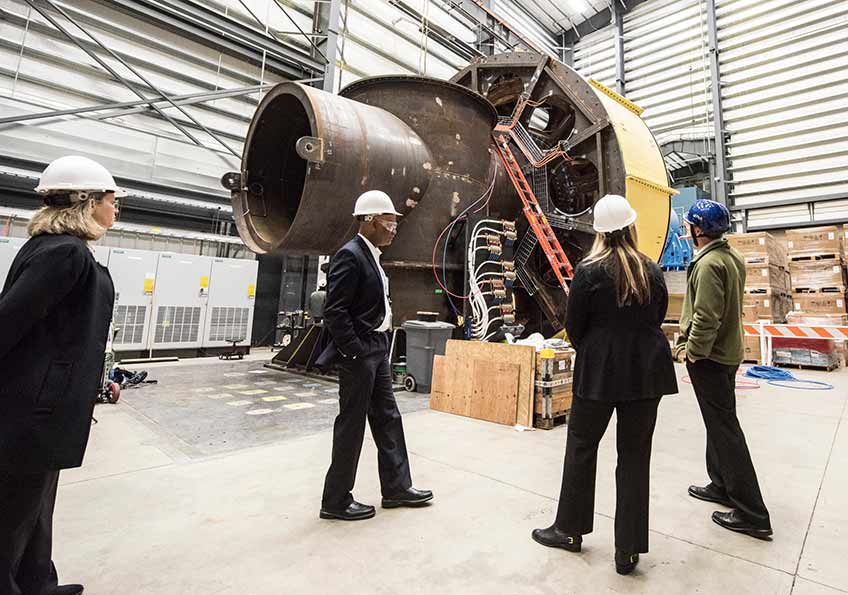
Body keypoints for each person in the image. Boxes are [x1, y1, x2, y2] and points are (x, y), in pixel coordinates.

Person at [531, 194, 678, 575]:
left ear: (599, 232)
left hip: (599, 374)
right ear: (630, 227)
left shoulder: (589, 270)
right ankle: (627, 551)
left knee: (581, 448)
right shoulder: (650, 268)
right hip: (646, 373)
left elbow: (575, 325)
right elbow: (658, 315)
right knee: (634, 458)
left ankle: (569, 530)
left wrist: (598, 349)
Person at [0, 156, 122, 595]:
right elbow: (9, 324)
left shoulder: (55, 248)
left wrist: (99, 377)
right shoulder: (64, 254)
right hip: (33, 408)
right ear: (87, 202)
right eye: (111, 200)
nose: (115, 208)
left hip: (46, 402)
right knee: (14, 513)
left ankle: (37, 583)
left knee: (37, 506)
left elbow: (63, 333)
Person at [318, 190, 432, 521]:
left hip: (377, 350)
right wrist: (354, 351)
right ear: (369, 221)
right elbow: (334, 311)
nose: (395, 228)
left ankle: (397, 488)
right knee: (352, 426)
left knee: (388, 418)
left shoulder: (373, 256)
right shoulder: (349, 255)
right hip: (361, 353)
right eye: (389, 221)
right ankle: (335, 500)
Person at [673, 199, 772, 540]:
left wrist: (693, 352)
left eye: (689, 224)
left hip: (711, 359)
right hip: (726, 354)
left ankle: (752, 512)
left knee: (726, 430)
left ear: (698, 230)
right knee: (717, 423)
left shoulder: (708, 264)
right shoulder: (730, 257)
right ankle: (721, 484)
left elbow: (706, 316)